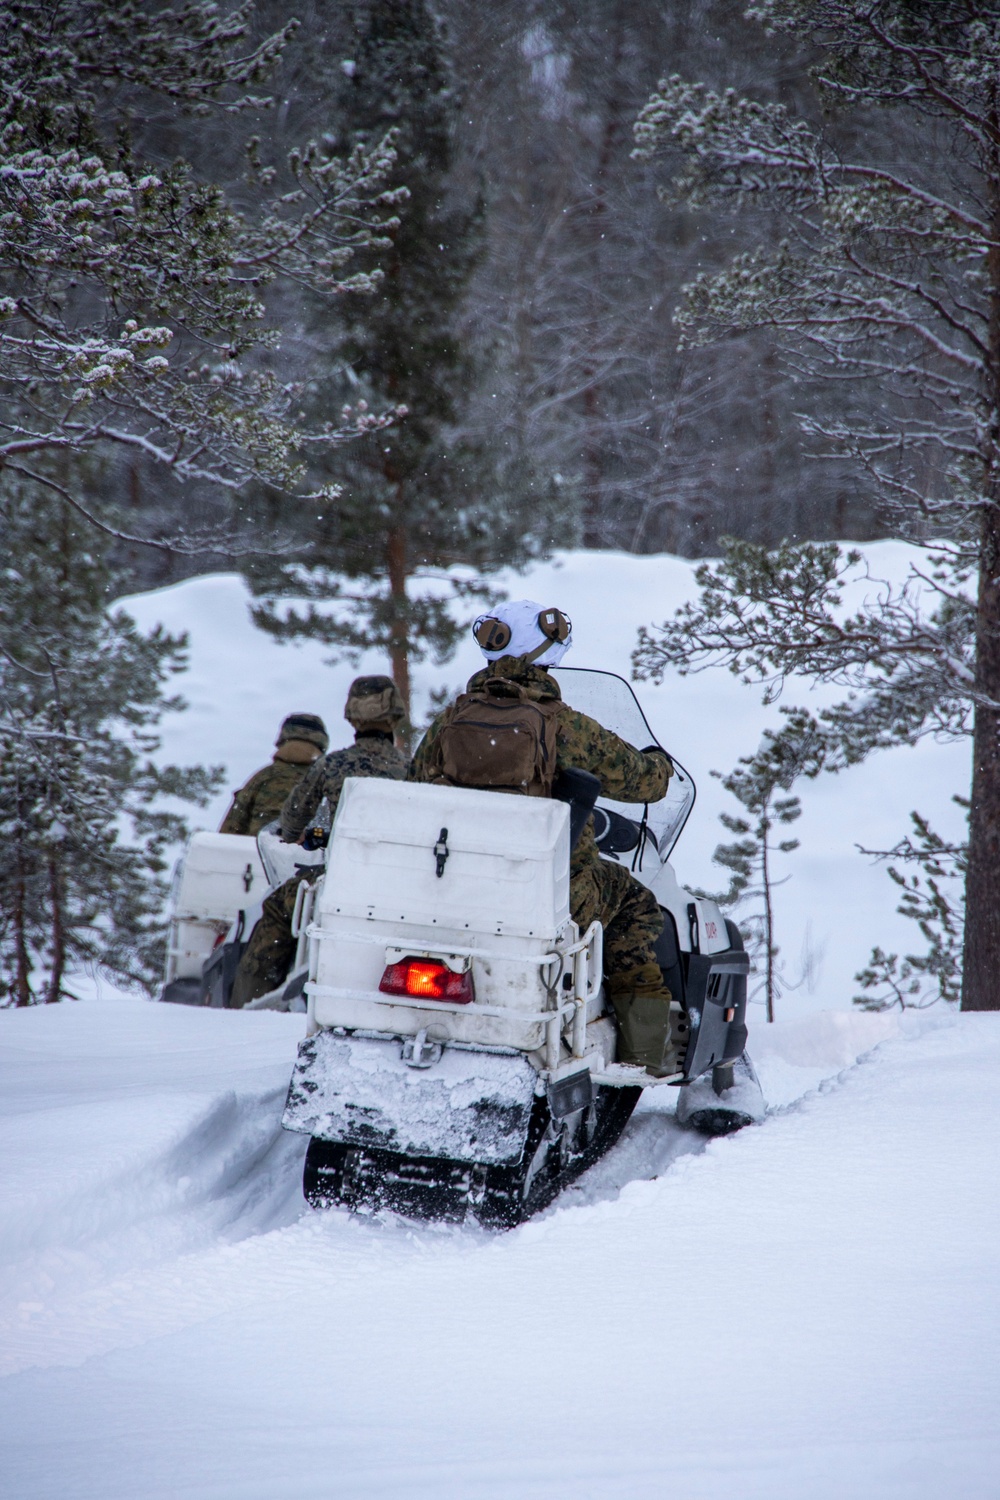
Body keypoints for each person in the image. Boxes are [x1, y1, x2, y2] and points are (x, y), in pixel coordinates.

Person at [409, 599, 686, 1076]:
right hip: (548, 892)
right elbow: (646, 782)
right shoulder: (562, 723)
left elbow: (414, 785)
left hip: (457, 883)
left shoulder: (452, 719)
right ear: (546, 653)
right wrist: (657, 761)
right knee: (635, 904)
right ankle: (646, 1055)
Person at [228, 676, 408, 1009]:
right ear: (395, 716)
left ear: (352, 717)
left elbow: (291, 822)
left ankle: (247, 1012)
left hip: (340, 882)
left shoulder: (332, 766)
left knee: (276, 913)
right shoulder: (411, 771)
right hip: (397, 888)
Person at [219, 713, 329, 837]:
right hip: (312, 855)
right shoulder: (329, 781)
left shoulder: (263, 777)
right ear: (322, 742)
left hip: (256, 854)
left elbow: (228, 834)